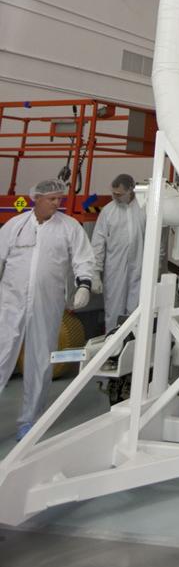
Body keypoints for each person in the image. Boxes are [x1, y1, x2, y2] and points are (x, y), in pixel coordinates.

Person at [0, 179, 94, 439]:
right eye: (51, 198)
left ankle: (30, 421)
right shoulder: (15, 226)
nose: (57, 203)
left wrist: (84, 285)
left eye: (59, 198)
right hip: (10, 303)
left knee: (40, 360)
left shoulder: (69, 227)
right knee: (2, 353)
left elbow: (83, 258)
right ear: (37, 198)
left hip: (47, 304)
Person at [91, 173, 144, 332]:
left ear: (131, 190)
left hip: (140, 268)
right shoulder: (108, 211)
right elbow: (98, 243)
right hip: (115, 270)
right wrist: (95, 273)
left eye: (119, 194)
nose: (115, 197)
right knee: (114, 310)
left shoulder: (144, 208)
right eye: (113, 193)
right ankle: (112, 344)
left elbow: (158, 240)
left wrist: (158, 266)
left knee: (137, 310)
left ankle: (134, 344)